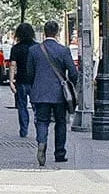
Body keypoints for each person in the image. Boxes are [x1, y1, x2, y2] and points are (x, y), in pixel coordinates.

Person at [27, 20, 79, 166]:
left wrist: (34, 87)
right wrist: (69, 85)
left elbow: (29, 73)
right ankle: (60, 153)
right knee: (61, 122)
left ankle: (42, 143)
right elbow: (74, 73)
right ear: (56, 32)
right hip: (59, 94)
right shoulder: (63, 50)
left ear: (44, 32)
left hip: (40, 93)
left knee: (42, 121)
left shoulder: (34, 50)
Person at [9, 22, 37, 138]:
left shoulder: (16, 48)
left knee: (22, 106)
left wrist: (11, 81)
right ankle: (39, 128)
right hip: (35, 81)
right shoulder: (36, 47)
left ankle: (23, 130)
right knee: (37, 107)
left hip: (21, 80)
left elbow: (12, 65)